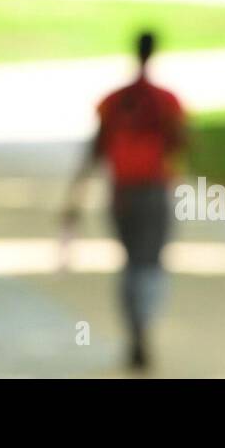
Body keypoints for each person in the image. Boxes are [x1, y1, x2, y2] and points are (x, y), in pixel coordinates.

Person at [62, 31, 186, 372]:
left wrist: (75, 197)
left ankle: (135, 328)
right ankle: (143, 325)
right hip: (154, 190)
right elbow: (180, 143)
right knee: (151, 264)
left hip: (122, 193)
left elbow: (95, 151)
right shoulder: (166, 101)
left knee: (131, 263)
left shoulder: (115, 101)